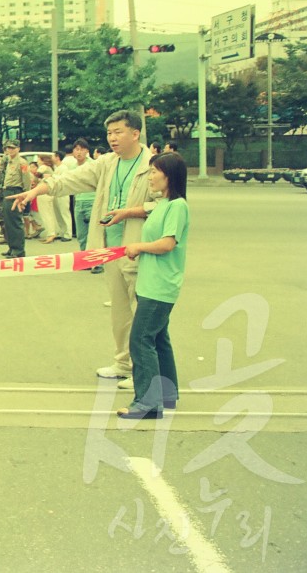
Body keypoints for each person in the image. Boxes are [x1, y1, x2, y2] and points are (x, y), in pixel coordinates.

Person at [8, 110, 156, 381]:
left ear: (135, 133)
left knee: (145, 318)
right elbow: (67, 181)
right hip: (110, 249)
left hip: (141, 250)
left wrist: (129, 212)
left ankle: (144, 374)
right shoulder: (107, 163)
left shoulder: (154, 164)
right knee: (121, 313)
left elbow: (167, 206)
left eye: (118, 132)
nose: (112, 138)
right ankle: (124, 364)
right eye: (109, 133)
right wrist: (36, 191)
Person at [117, 152, 189, 419]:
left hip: (161, 286)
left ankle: (147, 403)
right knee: (159, 338)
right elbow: (144, 214)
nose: (151, 176)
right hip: (151, 283)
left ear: (169, 175)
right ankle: (167, 396)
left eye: (155, 171)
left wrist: (138, 246)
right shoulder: (162, 204)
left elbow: (167, 243)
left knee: (141, 339)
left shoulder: (177, 207)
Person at [67, 138, 103, 274]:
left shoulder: (93, 165)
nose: (79, 152)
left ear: (87, 151)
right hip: (79, 202)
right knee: (82, 235)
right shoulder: (73, 167)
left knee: (95, 234)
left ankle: (98, 262)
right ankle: (86, 260)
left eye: (82, 149)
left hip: (92, 201)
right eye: (76, 149)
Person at [0, 140, 31, 258]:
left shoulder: (22, 162)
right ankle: (12, 248)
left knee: (15, 222)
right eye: (8, 148)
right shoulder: (8, 161)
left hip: (16, 191)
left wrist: (25, 196)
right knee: (8, 222)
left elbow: (26, 180)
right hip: (7, 191)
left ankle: (18, 250)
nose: (9, 150)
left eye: (12, 148)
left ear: (18, 149)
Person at [36, 154, 60, 243]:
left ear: (42, 160)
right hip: (49, 193)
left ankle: (51, 234)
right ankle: (52, 232)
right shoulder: (50, 168)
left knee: (45, 214)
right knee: (50, 213)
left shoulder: (43, 167)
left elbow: (37, 175)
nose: (37, 161)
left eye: (38, 159)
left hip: (43, 193)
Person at [52, 150, 73, 242]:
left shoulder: (64, 168)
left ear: (57, 157)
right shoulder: (57, 167)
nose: (52, 158)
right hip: (56, 193)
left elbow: (63, 179)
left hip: (63, 193)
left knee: (64, 213)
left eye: (53, 156)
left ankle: (68, 234)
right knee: (58, 214)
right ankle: (62, 232)